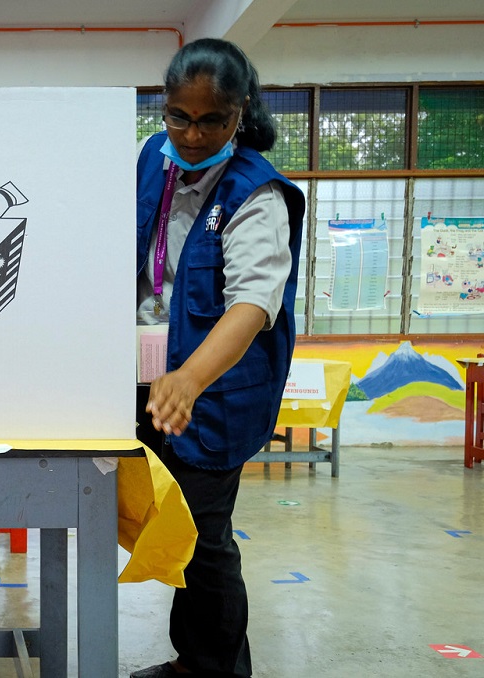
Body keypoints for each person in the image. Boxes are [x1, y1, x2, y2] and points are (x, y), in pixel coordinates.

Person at [130, 38, 306, 678]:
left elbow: (252, 306)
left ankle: (217, 669)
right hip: (152, 376)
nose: (194, 133)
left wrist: (190, 377)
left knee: (204, 540)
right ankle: (194, 659)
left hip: (216, 389)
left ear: (241, 113)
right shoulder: (153, 156)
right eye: (180, 115)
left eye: (213, 120)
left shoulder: (257, 194)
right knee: (175, 527)